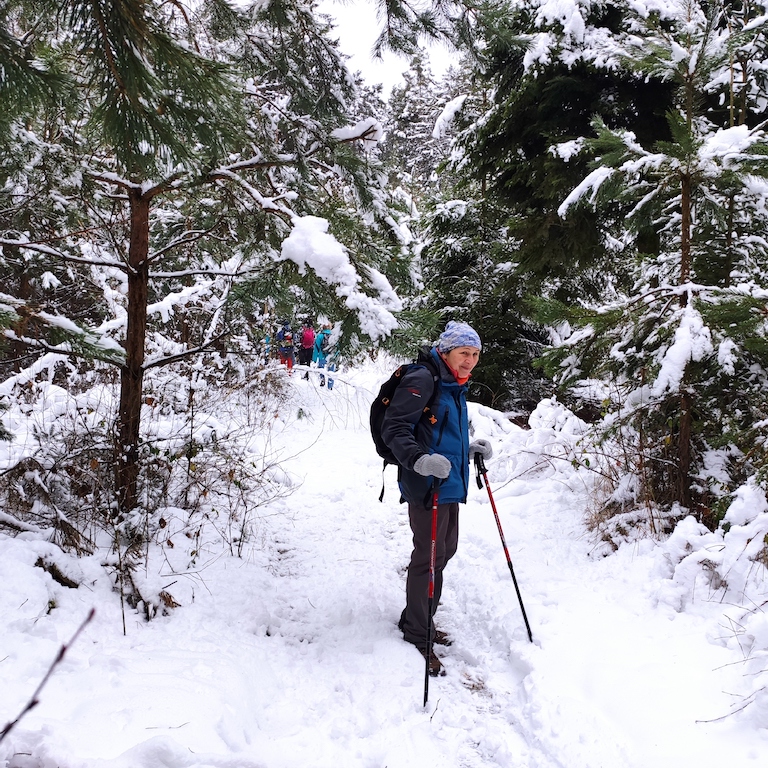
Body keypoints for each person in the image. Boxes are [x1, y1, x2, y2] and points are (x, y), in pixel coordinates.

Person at [379, 321, 492, 676]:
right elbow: (394, 429)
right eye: (464, 353)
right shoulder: (423, 380)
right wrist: (419, 460)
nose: (470, 361)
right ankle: (417, 632)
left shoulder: (452, 383)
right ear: (446, 351)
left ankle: (417, 616)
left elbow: (439, 431)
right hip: (427, 483)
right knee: (429, 557)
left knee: (444, 552)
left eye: (475, 354)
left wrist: (468, 449)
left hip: (449, 482)